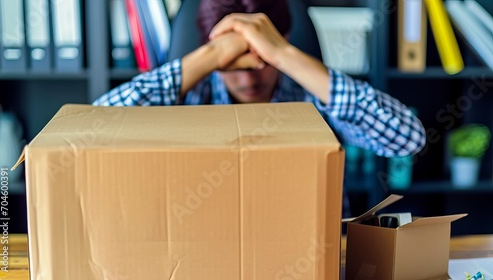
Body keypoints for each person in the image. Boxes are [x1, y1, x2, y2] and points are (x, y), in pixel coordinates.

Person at [93, 0, 426, 215]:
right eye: (234, 64)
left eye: (261, 62)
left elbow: (407, 138)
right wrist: (208, 57)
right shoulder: (193, 94)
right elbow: (93, 131)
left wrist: (284, 55)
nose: (249, 79)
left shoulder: (310, 93)